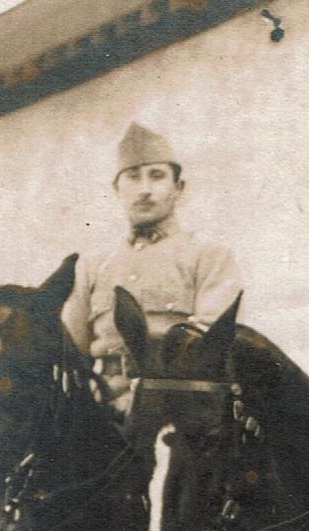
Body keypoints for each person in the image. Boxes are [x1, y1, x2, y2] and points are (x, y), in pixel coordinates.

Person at [61, 123, 243, 415]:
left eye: (157, 176)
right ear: (117, 189)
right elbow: (71, 351)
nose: (145, 189)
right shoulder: (92, 266)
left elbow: (210, 347)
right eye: (133, 177)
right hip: (103, 410)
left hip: (180, 410)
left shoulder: (208, 256)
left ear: (178, 188)